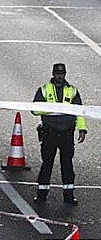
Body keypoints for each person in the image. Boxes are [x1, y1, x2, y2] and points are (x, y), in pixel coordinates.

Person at [33, 62, 87, 205]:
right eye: (57, 73)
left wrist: (82, 129)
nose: (59, 76)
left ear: (65, 74)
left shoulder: (73, 91)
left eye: (62, 74)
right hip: (50, 134)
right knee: (47, 164)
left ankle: (69, 196)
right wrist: (52, 108)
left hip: (66, 134)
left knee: (67, 165)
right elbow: (34, 109)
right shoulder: (44, 90)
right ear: (53, 74)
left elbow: (80, 112)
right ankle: (41, 194)